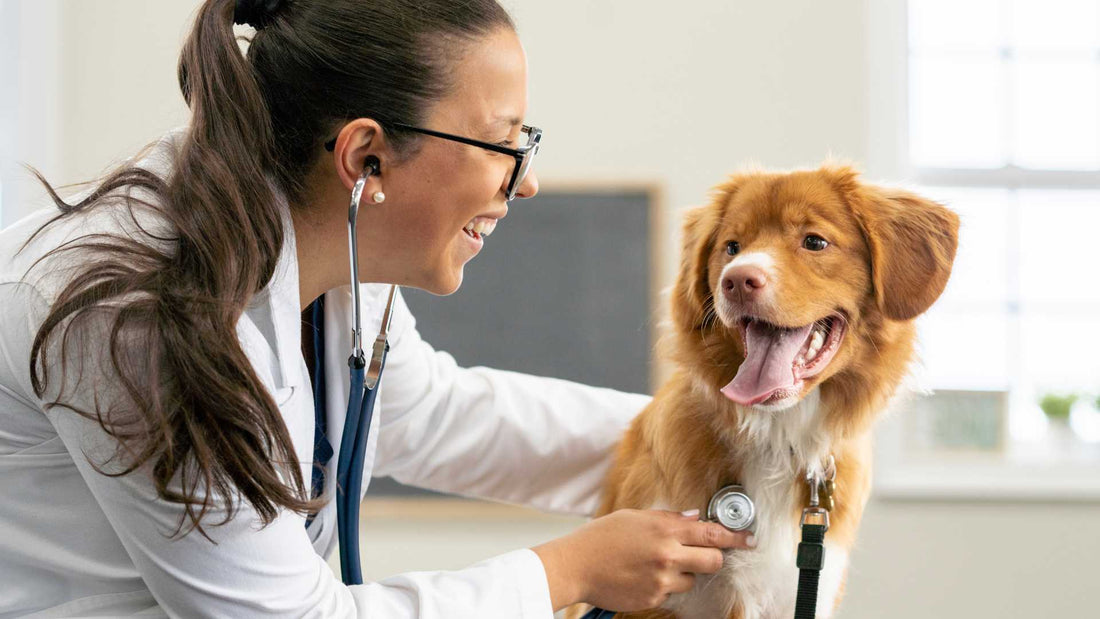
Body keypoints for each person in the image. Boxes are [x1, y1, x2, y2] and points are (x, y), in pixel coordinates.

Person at [0, 0, 753, 616]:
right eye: (502, 144)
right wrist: (567, 572)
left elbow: (428, 416)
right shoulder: (140, 313)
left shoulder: (326, 245)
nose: (524, 183)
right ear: (366, 157)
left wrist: (731, 438)